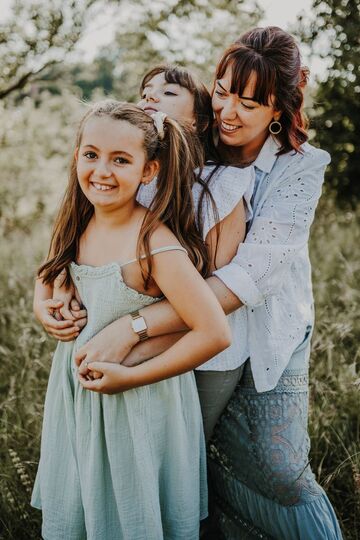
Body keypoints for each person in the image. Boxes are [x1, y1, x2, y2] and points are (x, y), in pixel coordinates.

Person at [63, 28, 343, 539]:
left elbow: (249, 277)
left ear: (279, 106)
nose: (229, 112)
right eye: (222, 91)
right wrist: (53, 285)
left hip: (264, 334)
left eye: (250, 102)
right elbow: (106, 202)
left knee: (279, 469)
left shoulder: (301, 168)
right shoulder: (182, 140)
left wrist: (135, 326)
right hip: (191, 338)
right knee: (187, 457)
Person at [31, 100, 233, 540]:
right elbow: (48, 277)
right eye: (91, 154)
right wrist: (42, 306)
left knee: (133, 515)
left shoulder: (154, 243)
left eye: (120, 160)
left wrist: (129, 378)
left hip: (139, 404)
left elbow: (214, 331)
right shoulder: (74, 219)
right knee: (85, 512)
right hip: (78, 401)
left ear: (148, 171)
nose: (101, 170)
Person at [33, 65, 255, 440]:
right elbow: (59, 257)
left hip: (165, 366)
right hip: (86, 379)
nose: (152, 96)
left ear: (201, 121)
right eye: (146, 90)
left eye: (168, 92)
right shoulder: (107, 198)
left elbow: (212, 304)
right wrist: (45, 298)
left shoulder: (193, 209)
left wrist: (133, 346)